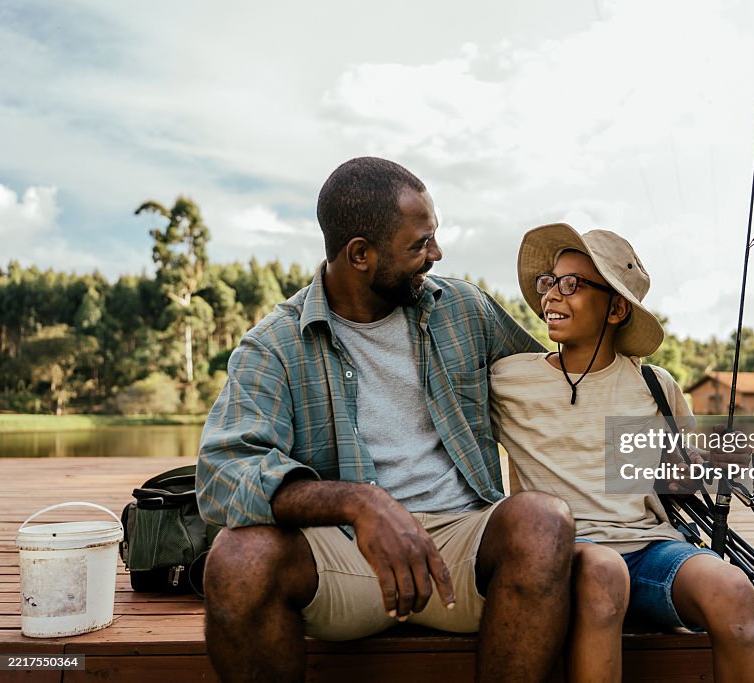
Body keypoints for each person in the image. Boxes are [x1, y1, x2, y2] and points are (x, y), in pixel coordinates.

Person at [196, 157, 574, 682]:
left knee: (543, 522)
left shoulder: (464, 308)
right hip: (348, 558)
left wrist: (667, 436)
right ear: (360, 255)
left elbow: (563, 383)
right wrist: (359, 503)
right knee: (237, 560)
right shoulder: (276, 344)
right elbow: (224, 472)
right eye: (419, 244)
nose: (436, 255)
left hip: (462, 549)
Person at [490, 224, 754, 683]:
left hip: (650, 548)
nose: (551, 297)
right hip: (568, 553)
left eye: (572, 284)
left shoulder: (655, 386)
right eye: (549, 283)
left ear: (617, 308)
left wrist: (717, 462)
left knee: (736, 592)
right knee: (603, 574)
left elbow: (679, 479)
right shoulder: (507, 380)